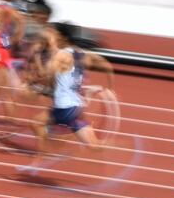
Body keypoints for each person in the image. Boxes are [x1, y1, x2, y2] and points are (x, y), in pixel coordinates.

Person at [17, 22, 114, 176]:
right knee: (94, 146)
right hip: (75, 106)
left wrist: (35, 71)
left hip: (64, 107)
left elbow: (45, 76)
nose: (53, 36)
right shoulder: (83, 55)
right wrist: (109, 88)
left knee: (37, 124)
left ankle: (40, 161)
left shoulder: (61, 55)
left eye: (55, 34)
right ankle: (123, 146)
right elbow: (107, 66)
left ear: (62, 37)